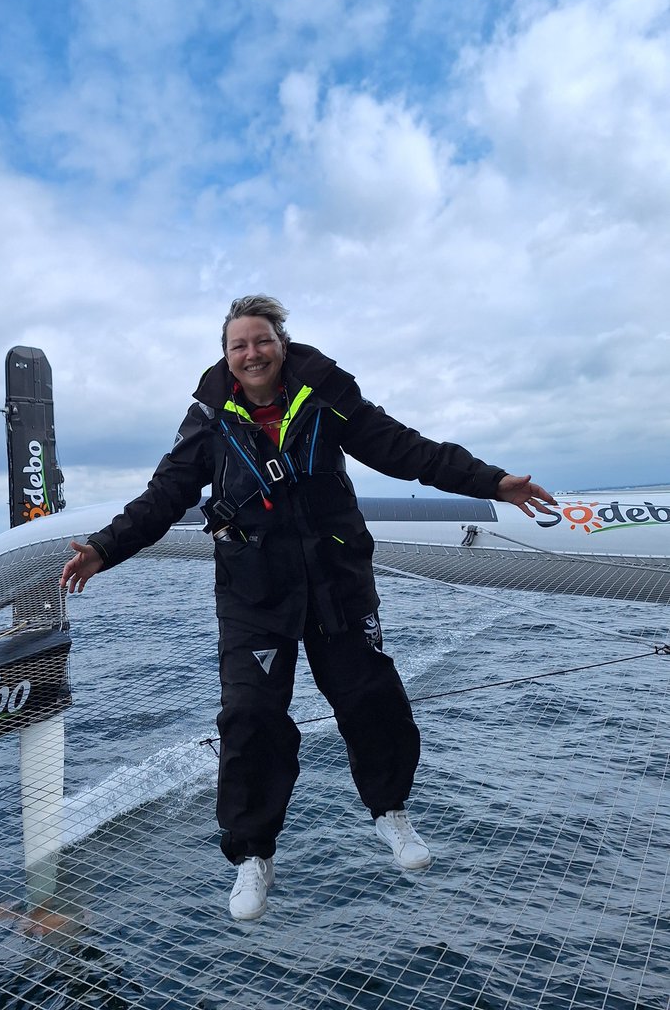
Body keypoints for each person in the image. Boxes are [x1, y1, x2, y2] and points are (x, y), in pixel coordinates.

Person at [60, 295, 555, 922]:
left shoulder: (328, 396)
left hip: (336, 583)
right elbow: (164, 496)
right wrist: (105, 549)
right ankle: (252, 856)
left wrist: (492, 482)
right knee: (250, 714)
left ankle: (390, 812)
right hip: (254, 593)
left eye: (261, 340)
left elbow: (409, 451)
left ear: (281, 344)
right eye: (239, 345)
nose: (251, 353)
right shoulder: (211, 421)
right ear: (227, 357)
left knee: (371, 697)